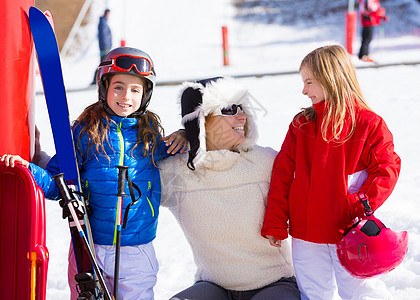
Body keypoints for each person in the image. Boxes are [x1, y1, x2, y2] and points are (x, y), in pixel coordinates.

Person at [2, 47, 188, 300]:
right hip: (89, 245)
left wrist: (185, 134)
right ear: (104, 87)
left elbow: (189, 147)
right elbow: (60, 183)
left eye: (136, 90)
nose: (126, 96)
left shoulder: (149, 136)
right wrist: (28, 169)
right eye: (119, 87)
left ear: (145, 95)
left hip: (136, 248)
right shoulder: (85, 132)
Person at [261, 45, 401, 300]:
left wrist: (359, 203)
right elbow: (282, 175)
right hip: (306, 234)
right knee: (313, 294)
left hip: (350, 231)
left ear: (331, 79)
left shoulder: (369, 123)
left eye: (309, 82)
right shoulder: (301, 125)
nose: (303, 90)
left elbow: (386, 168)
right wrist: (276, 220)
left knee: (362, 292)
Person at [158, 77, 301, 300]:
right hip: (214, 286)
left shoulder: (267, 162)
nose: (242, 116)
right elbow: (128, 184)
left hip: (274, 283)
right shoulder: (177, 171)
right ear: (202, 119)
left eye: (242, 108)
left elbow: (315, 187)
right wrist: (179, 139)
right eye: (229, 109)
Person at [92, 9, 112, 85]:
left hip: (106, 47)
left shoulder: (104, 22)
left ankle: (97, 79)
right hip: (104, 48)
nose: (108, 16)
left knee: (103, 64)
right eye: (108, 14)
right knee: (103, 64)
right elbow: (103, 36)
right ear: (105, 14)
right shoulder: (103, 23)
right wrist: (105, 47)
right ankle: (96, 80)